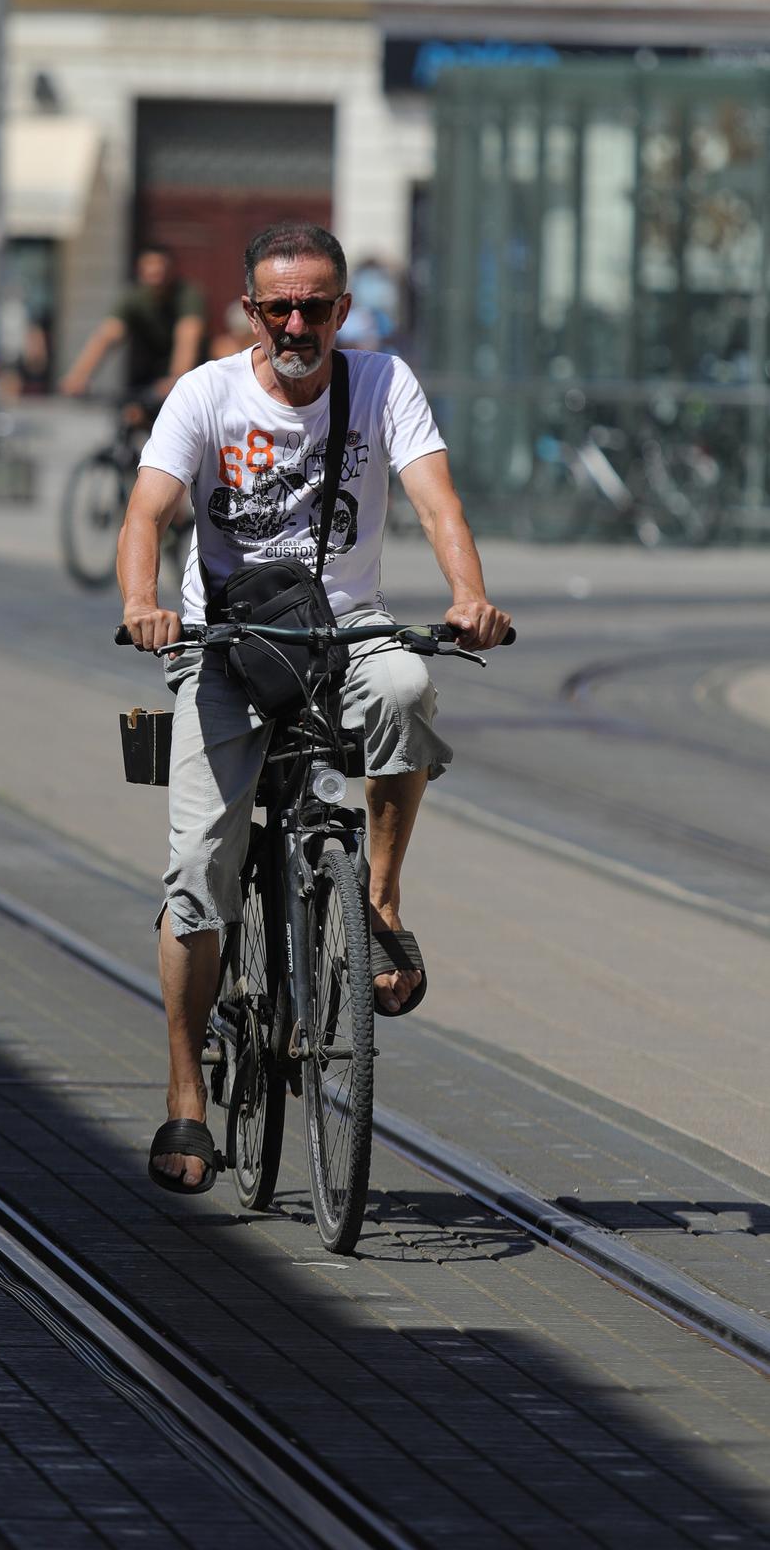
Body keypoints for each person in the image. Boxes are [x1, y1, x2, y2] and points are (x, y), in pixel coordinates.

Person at [116, 221, 511, 1192]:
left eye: (318, 306)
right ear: (251, 310)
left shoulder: (381, 383)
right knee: (197, 875)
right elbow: (148, 511)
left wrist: (468, 596)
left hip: (346, 631)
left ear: (344, 308)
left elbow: (436, 504)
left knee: (410, 682)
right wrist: (141, 604)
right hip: (223, 644)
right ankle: (185, 1096)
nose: (299, 323)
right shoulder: (205, 393)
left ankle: (376, 896)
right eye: (280, 306)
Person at [60, 244, 206, 422]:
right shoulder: (134, 298)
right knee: (131, 418)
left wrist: (177, 378)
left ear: (171, 270)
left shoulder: (187, 295)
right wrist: (79, 376)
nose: (155, 274)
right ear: (140, 270)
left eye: (160, 268)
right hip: (146, 376)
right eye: (149, 268)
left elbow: (187, 336)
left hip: (186, 377)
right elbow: (108, 334)